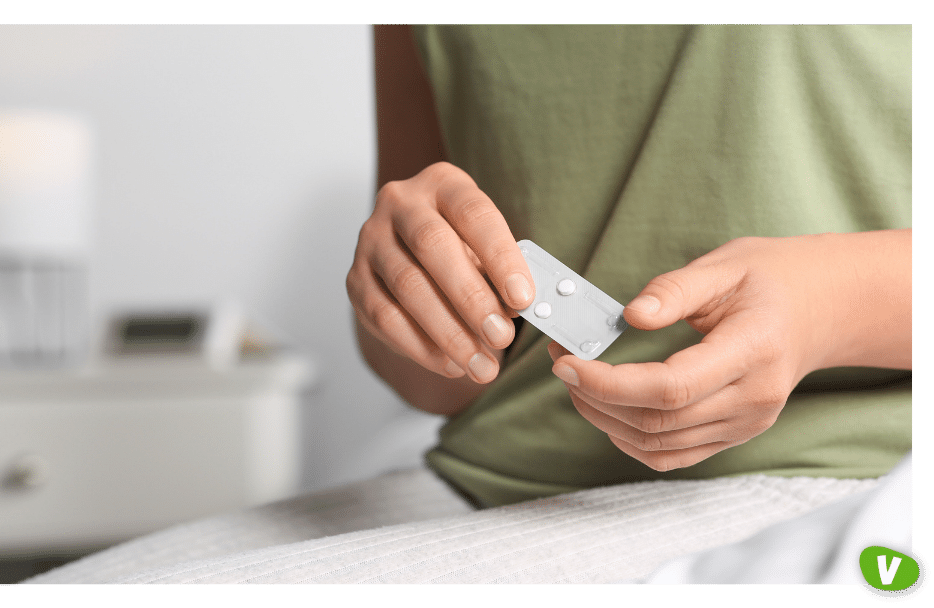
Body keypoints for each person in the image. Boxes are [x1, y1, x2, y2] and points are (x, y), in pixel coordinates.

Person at [348, 24, 912, 507]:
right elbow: (434, 383)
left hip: (838, 472)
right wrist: (408, 295)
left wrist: (825, 307)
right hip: (484, 479)